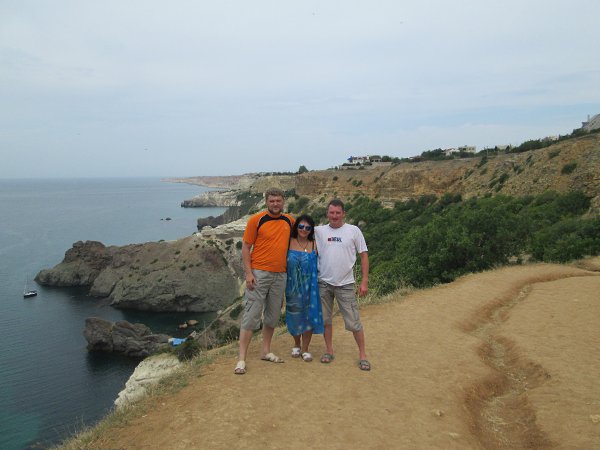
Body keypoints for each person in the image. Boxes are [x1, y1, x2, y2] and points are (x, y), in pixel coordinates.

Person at [234, 188, 294, 375]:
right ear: (267, 202)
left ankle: (265, 351)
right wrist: (248, 273)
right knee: (251, 315)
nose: (275, 204)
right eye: (272, 201)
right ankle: (241, 359)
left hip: (280, 275)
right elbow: (246, 247)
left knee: (273, 316)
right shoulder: (256, 220)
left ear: (283, 201)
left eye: (278, 200)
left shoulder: (289, 221)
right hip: (259, 273)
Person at [314, 199, 371, 371]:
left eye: (338, 213)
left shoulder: (354, 230)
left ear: (343, 214)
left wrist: (364, 281)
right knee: (325, 320)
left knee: (353, 322)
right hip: (323, 283)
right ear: (327, 214)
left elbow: (364, 255)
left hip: (345, 284)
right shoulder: (319, 231)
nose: (334, 216)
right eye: (331, 212)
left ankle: (363, 355)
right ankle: (329, 350)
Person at [285, 214, 324, 362]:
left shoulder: (315, 245)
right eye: (301, 226)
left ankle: (305, 348)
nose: (304, 229)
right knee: (294, 316)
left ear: (311, 230)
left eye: (308, 228)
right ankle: (296, 344)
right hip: (292, 288)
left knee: (308, 317)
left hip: (310, 289)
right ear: (296, 227)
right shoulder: (289, 242)